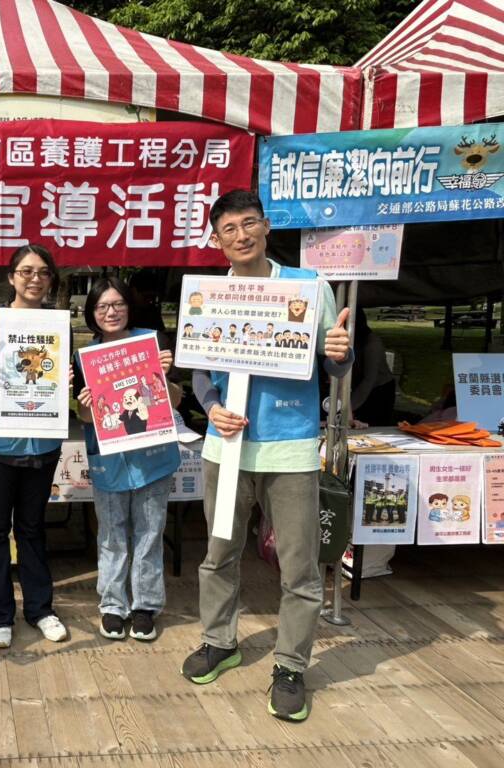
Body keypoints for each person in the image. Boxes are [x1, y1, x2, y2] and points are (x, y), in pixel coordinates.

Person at [181, 190, 352, 723]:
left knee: (299, 568)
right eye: (229, 229)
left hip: (291, 448)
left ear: (267, 226)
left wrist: (340, 354)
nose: (241, 235)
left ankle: (291, 665)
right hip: (225, 448)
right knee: (218, 554)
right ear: (216, 240)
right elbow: (200, 370)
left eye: (249, 223)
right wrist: (212, 408)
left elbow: (334, 364)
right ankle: (219, 641)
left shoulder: (308, 286)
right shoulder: (209, 294)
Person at [75, 276, 182, 641]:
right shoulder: (84, 356)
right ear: (92, 313)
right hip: (110, 460)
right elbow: (85, 416)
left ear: (129, 306)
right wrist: (85, 404)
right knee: (111, 534)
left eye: (118, 304)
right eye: (102, 306)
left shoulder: (152, 344)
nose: (111, 312)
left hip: (152, 457)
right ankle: (112, 605)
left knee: (150, 533)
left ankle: (145, 606)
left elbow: (175, 400)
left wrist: (163, 379)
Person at [0, 244, 69, 649]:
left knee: (32, 528)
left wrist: (65, 382)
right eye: (26, 271)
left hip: (42, 444)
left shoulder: (59, 326)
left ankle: (40, 609)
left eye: (43, 272)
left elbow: (59, 381)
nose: (35, 279)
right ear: (11, 277)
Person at [349, 309, 396, 426]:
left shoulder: (372, 344)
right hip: (366, 387)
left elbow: (369, 379)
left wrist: (350, 406)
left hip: (380, 389)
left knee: (375, 424)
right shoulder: (358, 341)